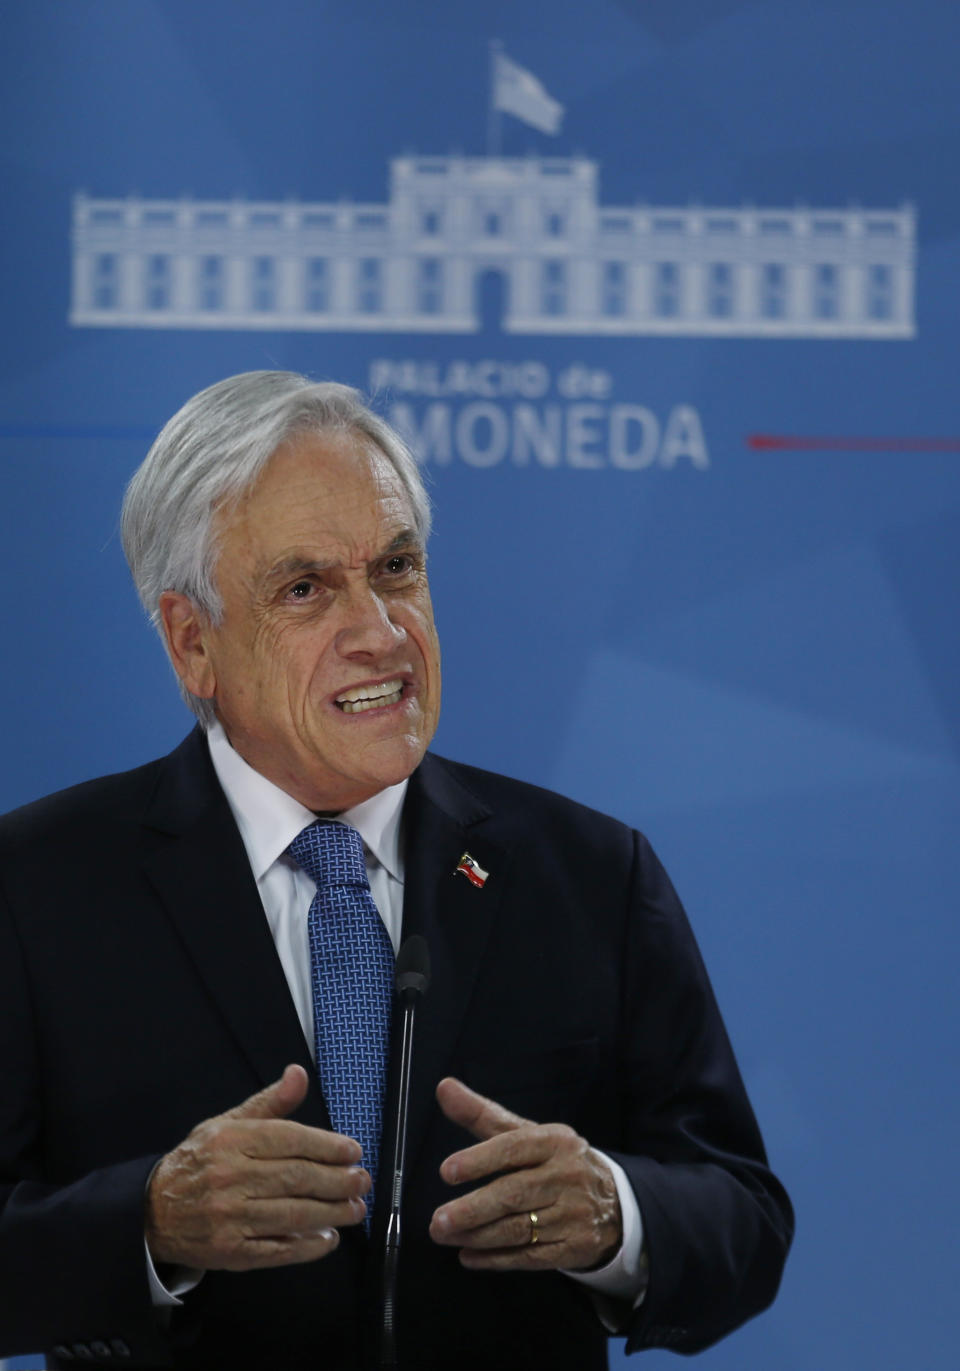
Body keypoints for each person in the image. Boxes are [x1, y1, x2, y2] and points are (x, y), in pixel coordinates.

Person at [0, 371, 792, 1370]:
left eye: (398, 567)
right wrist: (150, 1224)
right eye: (305, 588)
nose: (380, 630)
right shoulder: (37, 887)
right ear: (192, 642)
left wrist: (616, 1215)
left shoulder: (590, 873)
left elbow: (744, 1218)